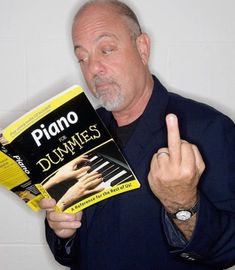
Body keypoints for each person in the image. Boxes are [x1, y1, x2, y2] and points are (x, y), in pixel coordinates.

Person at [39, 1, 235, 269]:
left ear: (142, 48)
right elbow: (68, 251)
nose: (93, 68)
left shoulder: (210, 128)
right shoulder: (79, 132)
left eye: (106, 50)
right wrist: (63, 231)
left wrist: (183, 204)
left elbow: (229, 250)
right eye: (82, 58)